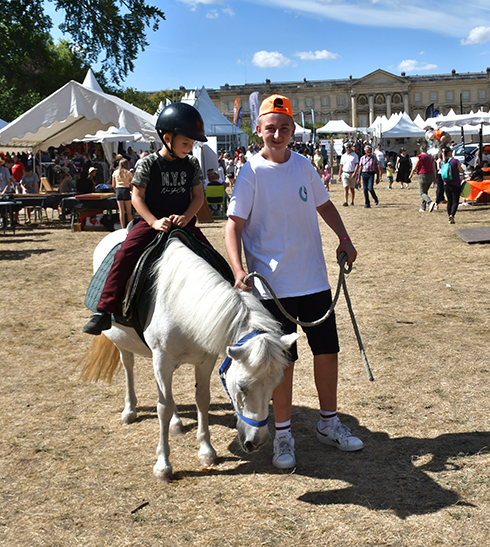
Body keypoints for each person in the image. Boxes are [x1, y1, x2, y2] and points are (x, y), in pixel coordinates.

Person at [224, 94, 363, 471]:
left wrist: (344, 238)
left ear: (293, 130)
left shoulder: (303, 166)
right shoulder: (251, 172)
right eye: (271, 128)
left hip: (313, 278)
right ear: (259, 130)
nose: (278, 134)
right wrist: (239, 271)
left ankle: (328, 422)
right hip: (272, 287)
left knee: (327, 351)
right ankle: (283, 433)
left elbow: (325, 205)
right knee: (281, 363)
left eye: (284, 128)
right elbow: (233, 226)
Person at [83, 102, 209, 335]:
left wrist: (186, 216)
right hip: (151, 223)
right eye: (185, 143)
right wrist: (152, 221)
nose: (189, 149)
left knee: (210, 257)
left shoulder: (191, 164)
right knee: (124, 254)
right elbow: (136, 197)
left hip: (182, 223)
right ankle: (104, 310)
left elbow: (198, 196)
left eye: (192, 144)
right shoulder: (149, 163)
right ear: (167, 138)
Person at [440, 147, 463, 224]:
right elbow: (461, 170)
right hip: (455, 183)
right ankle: (452, 215)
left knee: (449, 201)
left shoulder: (443, 162)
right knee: (455, 201)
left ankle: (449, 216)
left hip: (446, 183)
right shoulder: (455, 161)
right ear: (449, 152)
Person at [411, 144, 437, 213]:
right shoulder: (431, 157)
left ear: (421, 150)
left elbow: (415, 167)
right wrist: (435, 177)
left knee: (422, 192)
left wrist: (411, 175)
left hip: (422, 175)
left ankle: (430, 202)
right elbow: (434, 168)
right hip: (430, 175)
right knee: (425, 191)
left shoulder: (419, 157)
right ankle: (423, 207)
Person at [112, 158, 134, 228]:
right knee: (129, 211)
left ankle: (122, 227)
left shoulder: (115, 172)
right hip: (126, 189)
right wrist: (132, 190)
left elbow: (113, 185)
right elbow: (132, 183)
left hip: (118, 189)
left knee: (121, 211)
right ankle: (130, 227)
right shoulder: (128, 172)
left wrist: (116, 190)